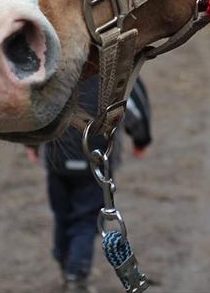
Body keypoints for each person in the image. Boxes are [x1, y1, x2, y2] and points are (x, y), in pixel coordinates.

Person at [28, 75, 152, 292]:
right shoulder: (114, 69)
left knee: (62, 215)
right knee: (85, 221)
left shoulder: (54, 65)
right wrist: (141, 139)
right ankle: (76, 275)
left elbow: (33, 107)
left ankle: (64, 260)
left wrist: (31, 143)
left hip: (57, 158)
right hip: (95, 160)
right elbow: (133, 105)